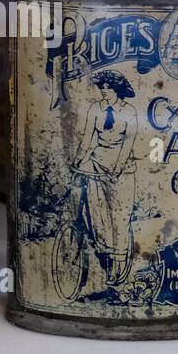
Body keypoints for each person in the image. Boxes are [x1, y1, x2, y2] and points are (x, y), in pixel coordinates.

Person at [70, 69, 138, 289]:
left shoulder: (129, 112)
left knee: (119, 219)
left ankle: (119, 268)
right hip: (97, 167)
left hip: (122, 171)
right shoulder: (95, 109)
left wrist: (116, 169)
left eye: (108, 87)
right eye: (101, 87)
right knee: (98, 217)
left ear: (117, 89)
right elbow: (88, 139)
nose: (104, 91)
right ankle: (106, 260)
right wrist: (77, 162)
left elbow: (128, 144)